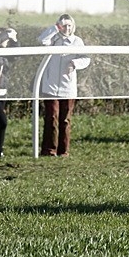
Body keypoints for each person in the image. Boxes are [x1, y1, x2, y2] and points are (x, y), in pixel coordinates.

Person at [37, 15, 91, 157]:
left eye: (69, 25)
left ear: (73, 26)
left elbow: (86, 59)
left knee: (65, 120)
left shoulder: (77, 41)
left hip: (68, 87)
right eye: (63, 25)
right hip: (51, 86)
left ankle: (64, 151)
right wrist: (55, 28)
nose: (66, 29)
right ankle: (49, 150)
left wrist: (74, 64)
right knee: (51, 118)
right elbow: (42, 40)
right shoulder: (53, 39)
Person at [0, 27, 19, 158]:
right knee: (3, 122)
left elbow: (16, 54)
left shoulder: (5, 54)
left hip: (2, 92)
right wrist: (8, 34)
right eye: (6, 39)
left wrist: (15, 39)